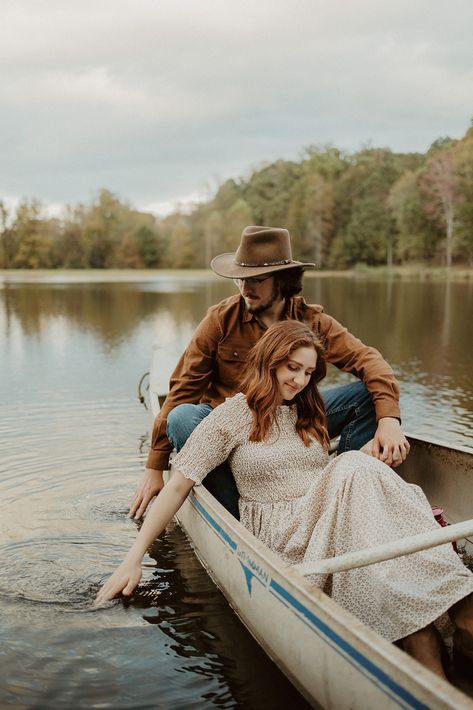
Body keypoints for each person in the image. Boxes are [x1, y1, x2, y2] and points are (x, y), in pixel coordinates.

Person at [97, 320, 473, 678]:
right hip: (284, 533)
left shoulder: (309, 411)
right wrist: (134, 559)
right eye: (292, 368)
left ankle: (434, 625)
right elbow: (178, 487)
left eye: (309, 373)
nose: (299, 380)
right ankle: (455, 602)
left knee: (357, 474)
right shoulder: (230, 417)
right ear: (269, 360)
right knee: (353, 466)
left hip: (327, 514)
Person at [130, 225, 410, 520]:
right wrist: (155, 467)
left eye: (257, 280)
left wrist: (389, 420)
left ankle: (340, 494)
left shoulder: (312, 321)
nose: (245, 288)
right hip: (234, 430)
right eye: (240, 279)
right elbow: (181, 392)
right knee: (183, 418)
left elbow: (370, 361)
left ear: (283, 281)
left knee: (369, 395)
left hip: (294, 422)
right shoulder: (220, 320)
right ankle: (237, 515)